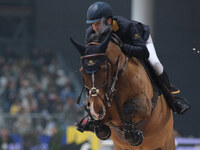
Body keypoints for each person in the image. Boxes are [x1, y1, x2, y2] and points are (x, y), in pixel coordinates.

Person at [76, 1, 190, 132]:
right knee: (93, 73)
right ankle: (90, 114)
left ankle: (172, 99)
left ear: (108, 20)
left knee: (155, 64)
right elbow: (91, 57)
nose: (94, 27)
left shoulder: (126, 26)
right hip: (118, 58)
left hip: (140, 43)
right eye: (92, 24)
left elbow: (143, 52)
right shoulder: (90, 33)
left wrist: (122, 47)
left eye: (97, 23)